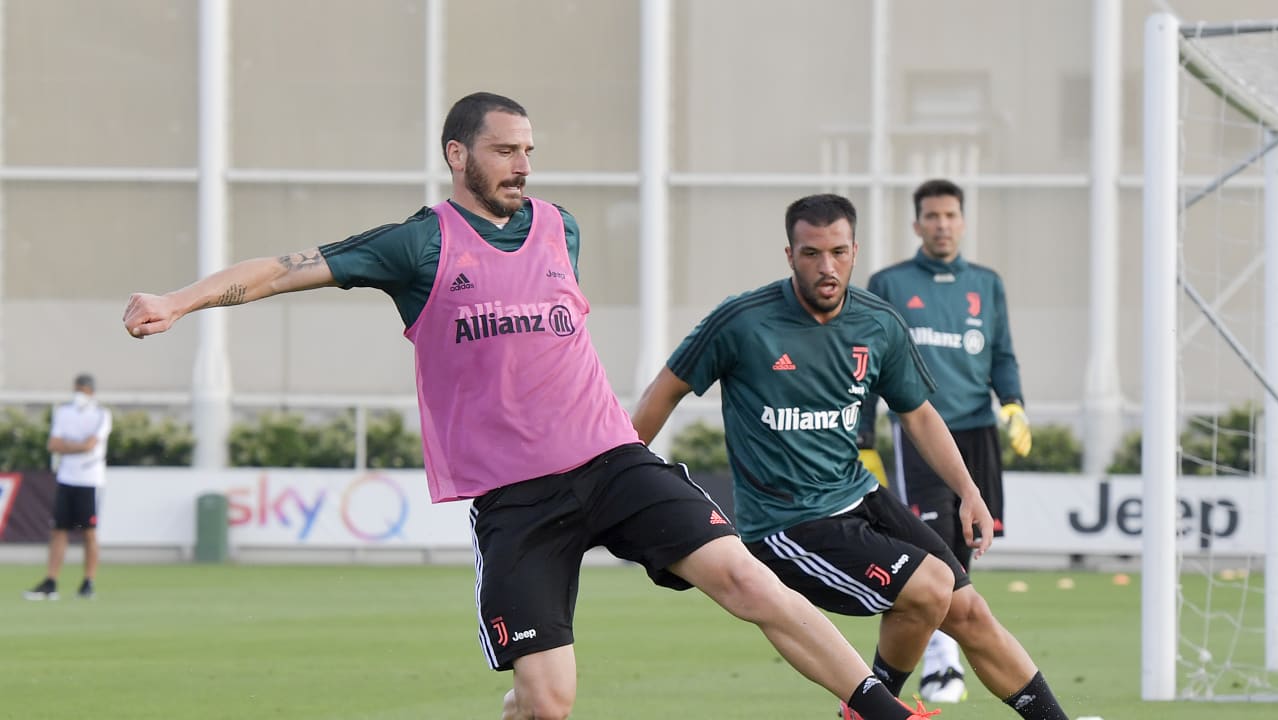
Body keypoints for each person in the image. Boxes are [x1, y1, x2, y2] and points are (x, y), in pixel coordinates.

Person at [121, 93, 937, 720]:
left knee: (747, 582)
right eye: (504, 151)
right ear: (457, 154)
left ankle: (884, 710)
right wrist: (178, 301)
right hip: (517, 498)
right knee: (547, 703)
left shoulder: (560, 229)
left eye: (529, 152)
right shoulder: (419, 244)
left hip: (613, 462)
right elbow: (280, 268)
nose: (522, 165)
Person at [631, 193, 1068, 720]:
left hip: (858, 494)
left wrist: (968, 491)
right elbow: (665, 391)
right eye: (812, 253)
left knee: (968, 609)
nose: (826, 266)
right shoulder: (743, 322)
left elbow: (919, 414)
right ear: (789, 255)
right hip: (788, 523)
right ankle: (871, 709)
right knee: (929, 587)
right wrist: (625, 477)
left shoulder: (877, 323)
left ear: (855, 251)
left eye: (838, 252)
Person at [860, 178, 1031, 703]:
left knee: (964, 541)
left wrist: (1014, 401)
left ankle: (943, 656)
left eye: (950, 215)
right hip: (919, 433)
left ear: (962, 221)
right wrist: (863, 434)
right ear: (917, 224)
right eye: (931, 216)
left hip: (976, 429)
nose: (941, 225)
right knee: (926, 545)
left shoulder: (987, 283)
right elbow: (864, 359)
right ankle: (941, 661)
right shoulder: (889, 283)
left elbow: (1001, 351)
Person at [24, 373, 112, 601]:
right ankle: (51, 582)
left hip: (89, 480)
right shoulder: (64, 412)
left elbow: (91, 445)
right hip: (67, 477)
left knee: (89, 532)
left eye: (82, 390)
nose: (78, 394)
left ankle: (88, 582)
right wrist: (78, 446)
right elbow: (54, 444)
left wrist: (69, 446)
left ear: (90, 391)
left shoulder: (101, 415)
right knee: (58, 530)